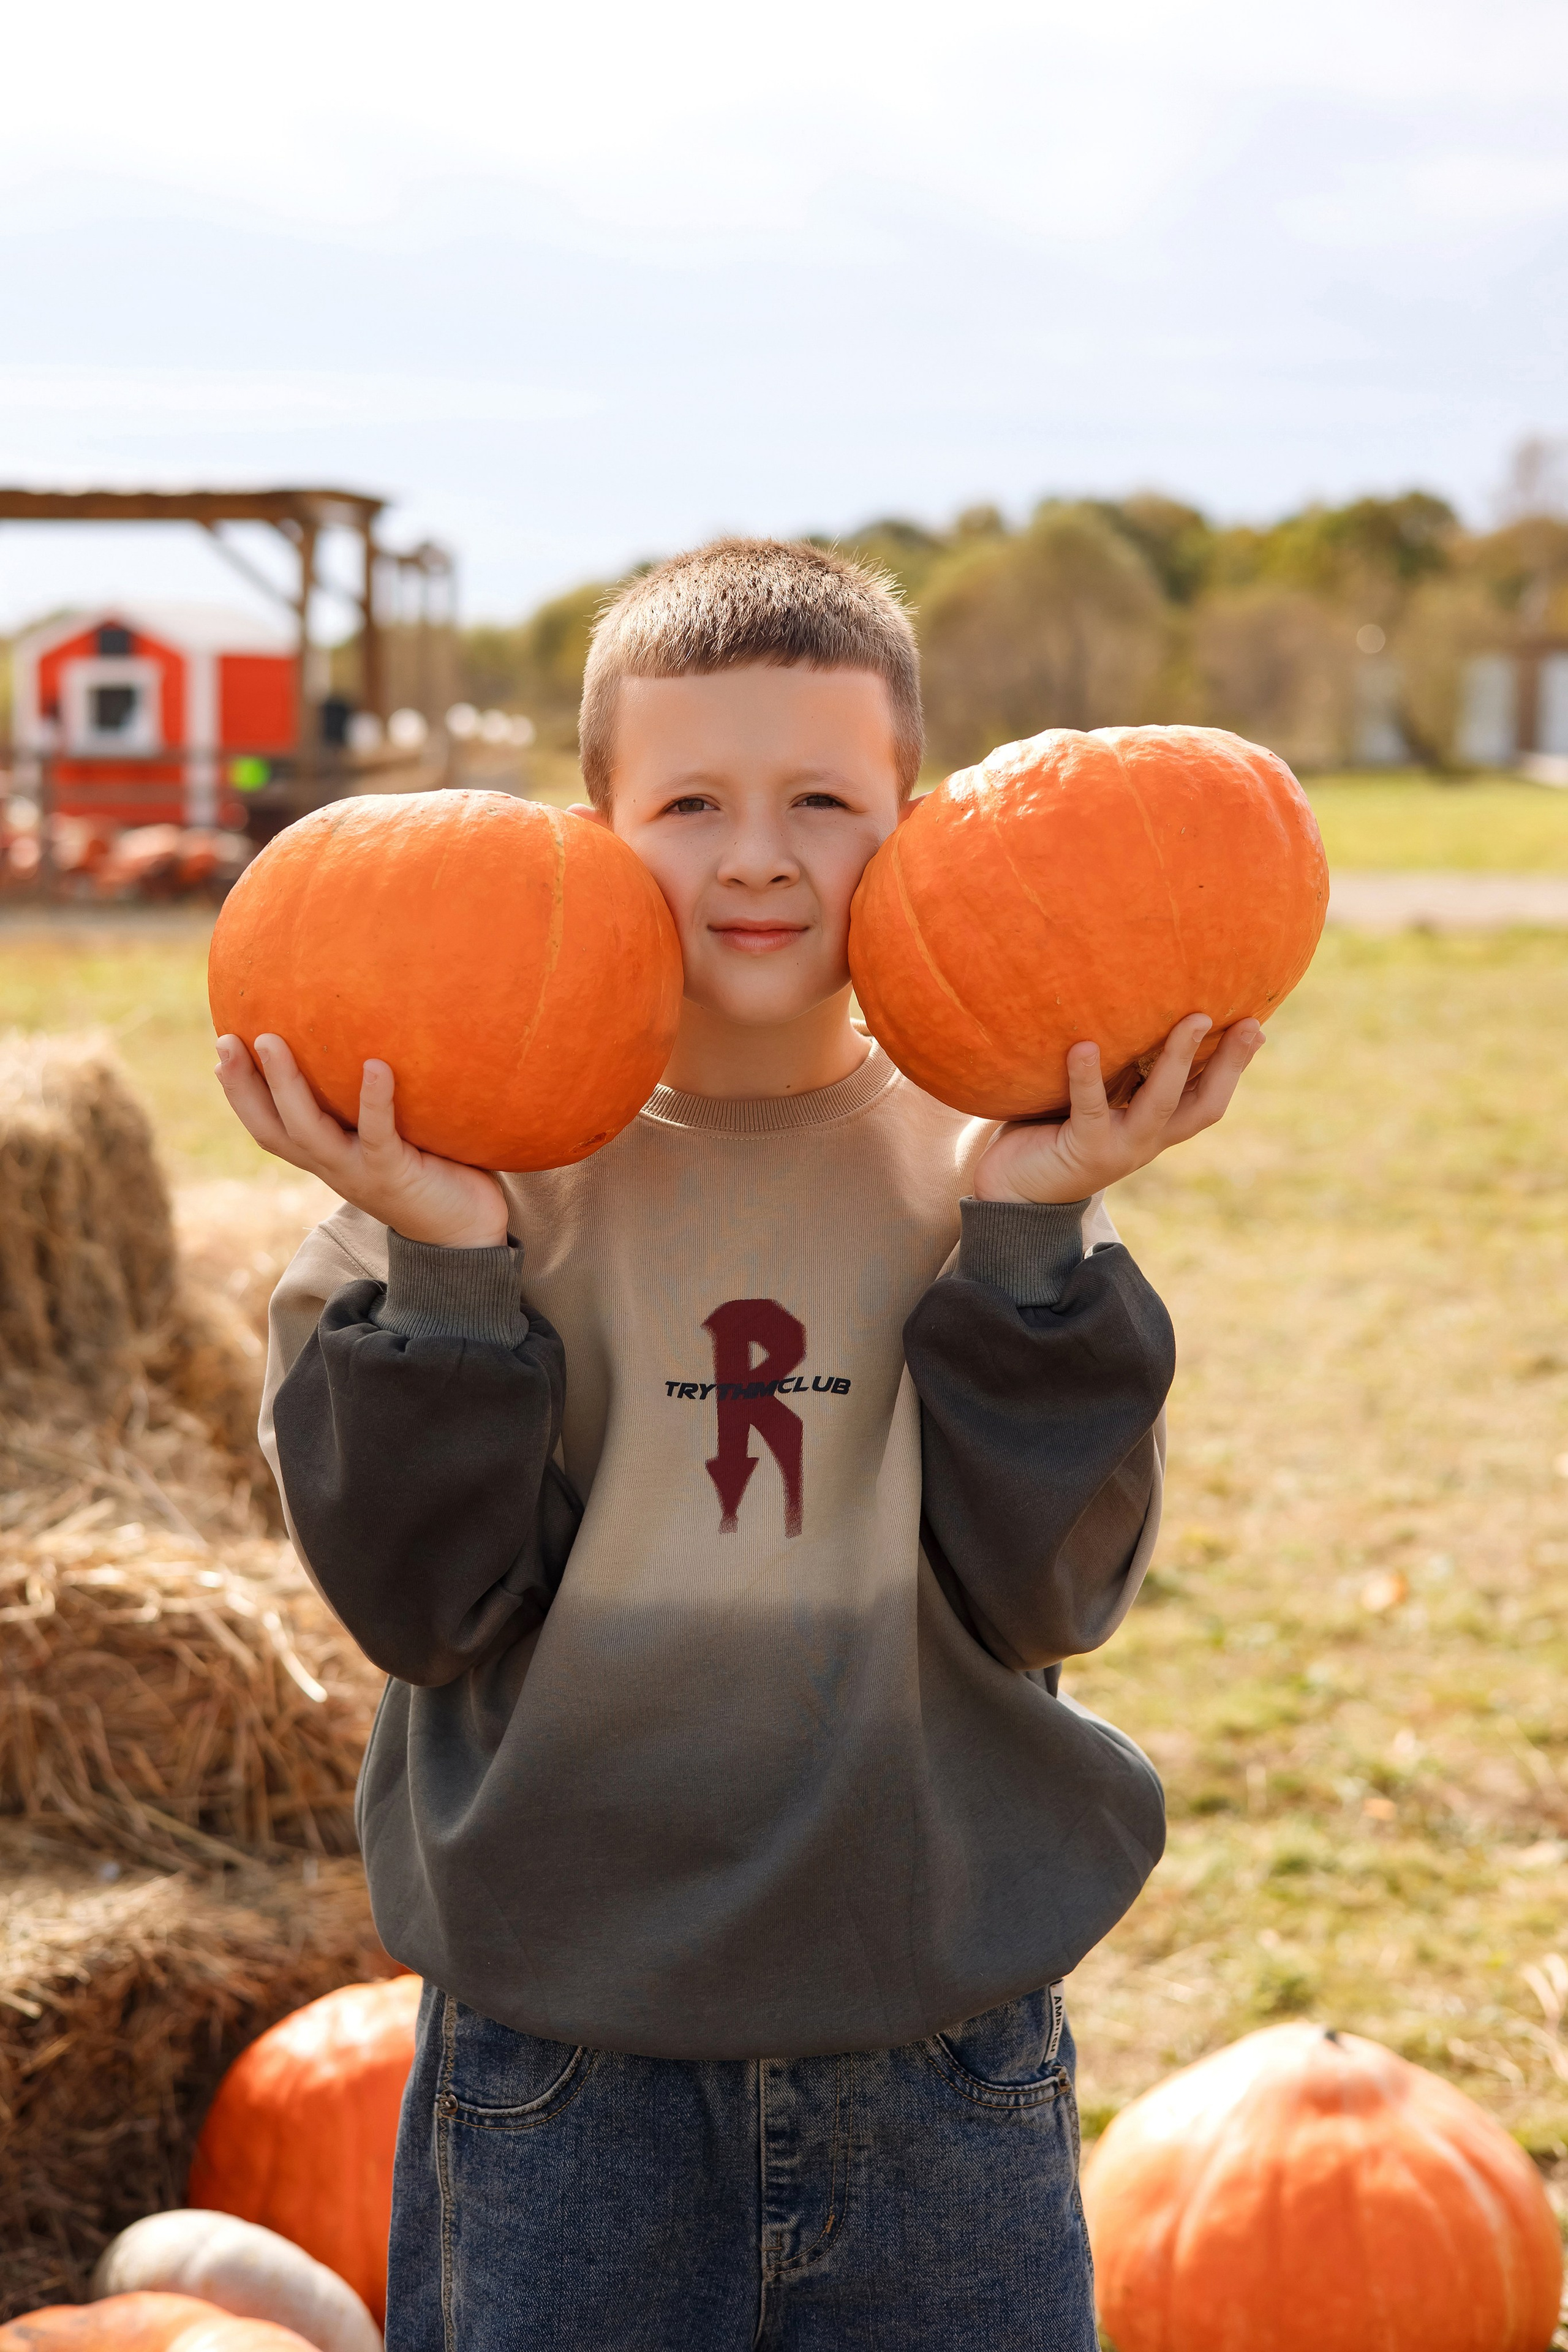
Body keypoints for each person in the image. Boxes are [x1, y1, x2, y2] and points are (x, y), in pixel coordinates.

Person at [218, 538, 1262, 2352]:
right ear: (589, 827)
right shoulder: (460, 1195)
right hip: (567, 2077)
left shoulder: (983, 1171)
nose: (759, 853)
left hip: (943, 2052)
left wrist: (1033, 1239)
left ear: (916, 822)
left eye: (823, 801)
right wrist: (450, 1270)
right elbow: (426, 1612)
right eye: (690, 800)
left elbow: (1053, 1596)